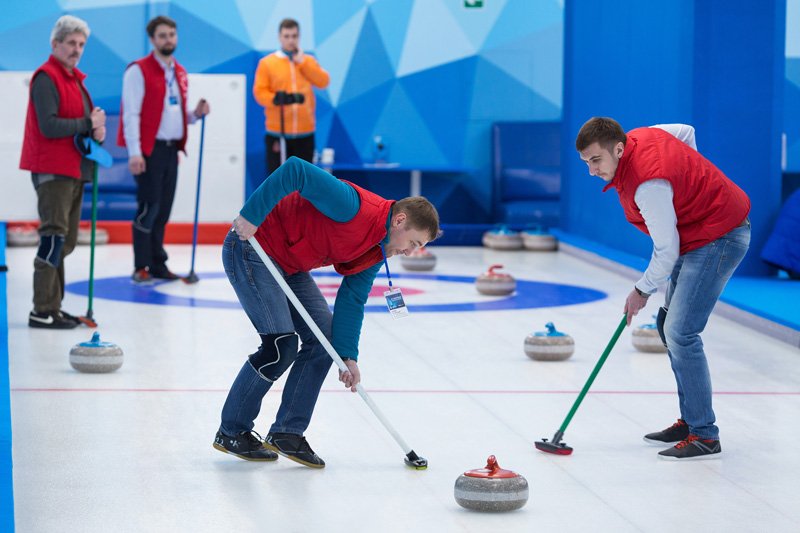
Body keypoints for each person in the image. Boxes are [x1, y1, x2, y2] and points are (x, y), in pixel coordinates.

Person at [213, 156, 440, 467]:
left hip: (290, 266)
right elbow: (295, 169)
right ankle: (232, 431)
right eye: (413, 242)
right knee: (280, 346)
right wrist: (252, 214)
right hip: (253, 247)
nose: (410, 252)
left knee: (324, 343)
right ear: (399, 220)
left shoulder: (378, 249)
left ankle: (287, 432)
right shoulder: (353, 206)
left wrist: (347, 356)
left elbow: (352, 299)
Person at [576, 117, 751, 460]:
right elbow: (687, 131)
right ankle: (690, 421)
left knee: (681, 332)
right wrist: (690, 184)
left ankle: (705, 435)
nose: (592, 171)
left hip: (721, 235)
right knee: (666, 324)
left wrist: (640, 291)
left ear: (619, 149)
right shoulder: (645, 136)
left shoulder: (649, 185)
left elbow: (666, 251)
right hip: (700, 233)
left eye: (596, 160)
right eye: (586, 162)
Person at [20, 15, 106, 329]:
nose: (76, 49)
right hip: (53, 170)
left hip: (73, 169)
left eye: (81, 44)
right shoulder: (47, 77)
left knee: (65, 241)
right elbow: (49, 125)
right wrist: (88, 123)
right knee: (54, 238)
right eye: (71, 42)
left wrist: (96, 133)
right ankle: (42, 309)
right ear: (55, 44)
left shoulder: (74, 80)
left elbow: (79, 127)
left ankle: (53, 307)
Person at [117, 15, 210, 284]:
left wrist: (195, 114)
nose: (168, 40)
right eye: (162, 36)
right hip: (149, 150)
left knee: (164, 210)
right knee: (149, 208)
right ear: (152, 40)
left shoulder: (178, 71)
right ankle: (140, 266)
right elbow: (131, 114)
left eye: (171, 34)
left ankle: (158, 263)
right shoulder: (138, 70)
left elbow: (175, 113)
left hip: (171, 150)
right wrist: (135, 152)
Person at [253, 18, 329, 176]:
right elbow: (259, 92)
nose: (291, 40)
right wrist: (276, 99)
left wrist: (302, 62)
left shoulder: (307, 61)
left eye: (294, 36)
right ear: (279, 37)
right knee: (278, 179)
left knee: (305, 180)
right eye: (286, 36)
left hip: (305, 132)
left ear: (299, 37)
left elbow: (323, 81)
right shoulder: (267, 63)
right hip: (278, 133)